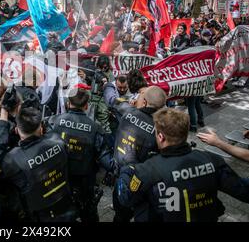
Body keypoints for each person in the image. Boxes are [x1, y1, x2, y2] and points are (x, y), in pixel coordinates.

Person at [116, 108, 249, 222]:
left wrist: (126, 172)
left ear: (161, 137)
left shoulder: (146, 170)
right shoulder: (212, 160)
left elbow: (126, 199)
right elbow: (243, 192)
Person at [0, 105, 77, 222]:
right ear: (41, 128)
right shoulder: (58, 140)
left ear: (16, 130)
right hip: (66, 206)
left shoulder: (11, 159)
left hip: (38, 216)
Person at [48, 85, 106, 222]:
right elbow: (103, 156)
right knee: (89, 215)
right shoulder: (95, 128)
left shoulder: (53, 121)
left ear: (68, 103)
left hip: (59, 180)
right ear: (87, 106)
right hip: (85, 182)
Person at [112, 86, 167, 222]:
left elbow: (115, 102)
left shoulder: (127, 112)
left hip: (120, 174)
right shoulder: (161, 129)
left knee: (120, 215)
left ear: (144, 102)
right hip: (141, 181)